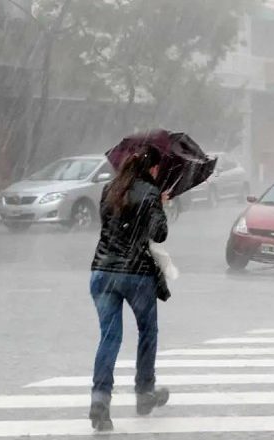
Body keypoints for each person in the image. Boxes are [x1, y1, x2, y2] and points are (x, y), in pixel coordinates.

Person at [88, 145, 170, 431]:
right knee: (147, 331)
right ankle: (145, 392)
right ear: (152, 168)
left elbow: (110, 226)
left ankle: (100, 400)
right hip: (136, 275)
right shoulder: (150, 192)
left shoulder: (109, 189)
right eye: (158, 169)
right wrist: (160, 204)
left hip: (101, 271)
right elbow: (159, 233)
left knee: (109, 338)